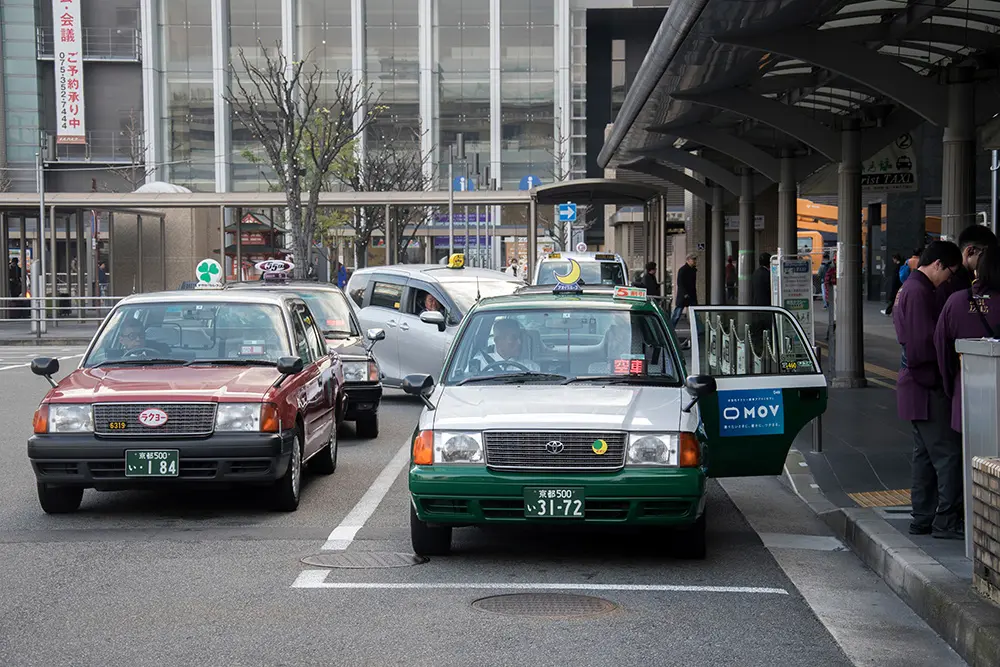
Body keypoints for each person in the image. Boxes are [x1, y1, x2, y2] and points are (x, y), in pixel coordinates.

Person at [892, 240, 964, 539]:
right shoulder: (920, 292)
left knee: (924, 455)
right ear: (938, 265)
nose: (949, 278)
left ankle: (922, 517)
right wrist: (945, 369)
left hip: (913, 386)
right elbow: (923, 347)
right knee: (947, 453)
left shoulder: (907, 288)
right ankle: (946, 521)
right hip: (926, 385)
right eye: (949, 272)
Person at [935, 243, 1000, 438]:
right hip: (996, 396)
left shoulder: (955, 301)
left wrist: (951, 387)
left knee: (968, 455)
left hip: (964, 394)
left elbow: (941, 348)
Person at [935, 225, 998, 311]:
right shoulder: (949, 282)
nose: (988, 259)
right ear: (970, 251)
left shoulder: (970, 278)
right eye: (984, 254)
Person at [471, 319, 540, 372]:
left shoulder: (531, 367)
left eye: (520, 337)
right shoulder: (478, 364)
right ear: (498, 341)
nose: (519, 342)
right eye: (513, 338)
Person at [670, 256, 696, 327]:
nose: (694, 261)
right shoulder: (683, 270)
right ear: (688, 260)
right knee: (677, 314)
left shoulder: (693, 270)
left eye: (695, 259)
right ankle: (671, 328)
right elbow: (680, 283)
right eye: (693, 259)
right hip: (684, 295)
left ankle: (699, 331)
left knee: (695, 314)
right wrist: (685, 293)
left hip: (690, 295)